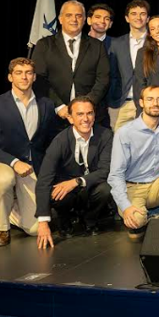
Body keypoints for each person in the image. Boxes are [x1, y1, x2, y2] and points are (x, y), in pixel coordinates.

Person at [0, 58, 63, 246]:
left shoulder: (46, 104)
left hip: (31, 168)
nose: (24, 77)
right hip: (2, 162)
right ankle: (2, 227)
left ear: (34, 78)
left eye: (29, 73)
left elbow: (52, 139)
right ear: (10, 77)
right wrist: (14, 162)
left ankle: (6, 211)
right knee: (5, 180)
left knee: (33, 230)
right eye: (19, 73)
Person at [108, 85, 159, 241]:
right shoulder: (125, 133)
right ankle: (149, 217)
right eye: (150, 99)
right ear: (141, 102)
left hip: (157, 187)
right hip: (133, 188)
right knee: (136, 223)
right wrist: (126, 207)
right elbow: (115, 175)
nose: (155, 103)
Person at [35, 97, 113, 248]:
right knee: (56, 192)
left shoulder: (106, 135)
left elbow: (105, 170)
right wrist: (43, 222)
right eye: (80, 114)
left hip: (91, 184)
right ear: (70, 118)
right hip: (66, 190)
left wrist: (76, 182)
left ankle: (90, 219)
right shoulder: (59, 141)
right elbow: (44, 179)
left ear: (94, 115)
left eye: (89, 113)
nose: (86, 119)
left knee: (106, 189)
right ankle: (64, 219)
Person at [30, 0, 110, 124]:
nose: (74, 20)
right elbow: (39, 79)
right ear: (60, 19)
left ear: (84, 20)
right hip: (54, 116)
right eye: (69, 15)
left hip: (89, 117)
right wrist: (59, 106)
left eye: (78, 16)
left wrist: (86, 105)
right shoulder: (44, 45)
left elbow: (103, 79)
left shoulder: (97, 46)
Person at [108, 0, 151, 131]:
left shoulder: (155, 42)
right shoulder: (115, 43)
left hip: (148, 104)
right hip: (121, 104)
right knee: (119, 146)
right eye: (134, 13)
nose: (138, 17)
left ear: (148, 18)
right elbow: (111, 74)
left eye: (142, 14)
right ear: (127, 18)